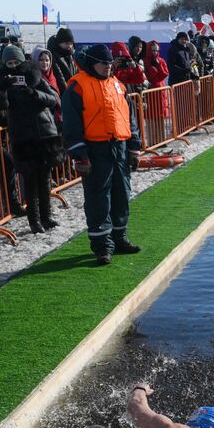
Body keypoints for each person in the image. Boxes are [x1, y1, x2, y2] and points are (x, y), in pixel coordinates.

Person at [61, 44, 142, 266]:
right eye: (103, 63)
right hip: (95, 149)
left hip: (120, 147)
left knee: (121, 194)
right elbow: (71, 125)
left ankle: (120, 238)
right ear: (91, 63)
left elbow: (128, 117)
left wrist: (134, 147)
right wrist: (80, 155)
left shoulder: (118, 85)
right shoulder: (77, 88)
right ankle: (102, 246)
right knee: (99, 198)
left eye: (109, 63)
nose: (108, 67)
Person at [0, 49, 63, 234]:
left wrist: (34, 93)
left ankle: (47, 216)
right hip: (23, 137)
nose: (13, 67)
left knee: (45, 179)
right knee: (29, 182)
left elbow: (53, 98)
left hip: (44, 134)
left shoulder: (34, 76)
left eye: (16, 62)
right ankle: (34, 220)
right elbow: (0, 106)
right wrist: (2, 89)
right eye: (9, 63)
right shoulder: (3, 81)